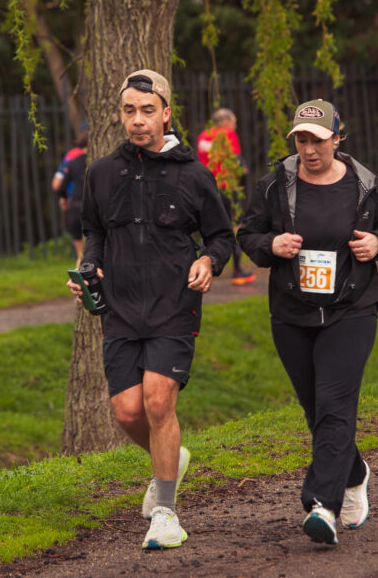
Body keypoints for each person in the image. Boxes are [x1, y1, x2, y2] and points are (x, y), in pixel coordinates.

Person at [67, 70, 234, 550]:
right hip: (119, 309)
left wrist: (209, 260)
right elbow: (94, 231)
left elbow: (221, 236)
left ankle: (166, 513)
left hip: (174, 306)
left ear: (165, 112)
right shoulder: (100, 173)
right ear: (120, 114)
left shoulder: (193, 175)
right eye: (128, 111)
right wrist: (90, 268)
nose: (137, 121)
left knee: (160, 402)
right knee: (126, 412)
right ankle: (171, 457)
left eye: (147, 111)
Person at [237, 99, 378, 545]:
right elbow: (247, 234)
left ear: (337, 138)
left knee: (334, 404)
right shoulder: (275, 185)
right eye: (302, 140)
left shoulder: (364, 185)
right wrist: (271, 245)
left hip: (352, 310)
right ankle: (354, 473)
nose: (310, 150)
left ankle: (321, 506)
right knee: (318, 410)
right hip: (292, 315)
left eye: (318, 140)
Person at [196, 108, 255, 285]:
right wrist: (243, 169)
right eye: (234, 123)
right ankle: (237, 270)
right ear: (227, 121)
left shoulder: (203, 136)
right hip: (226, 187)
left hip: (207, 188)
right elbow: (236, 160)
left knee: (208, 228)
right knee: (233, 227)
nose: (235, 128)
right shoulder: (227, 134)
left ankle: (199, 263)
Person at [52, 123, 89, 266]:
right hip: (93, 208)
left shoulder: (72, 159)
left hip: (75, 205)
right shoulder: (104, 160)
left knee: (81, 254)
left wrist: (64, 198)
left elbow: (57, 185)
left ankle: (80, 284)